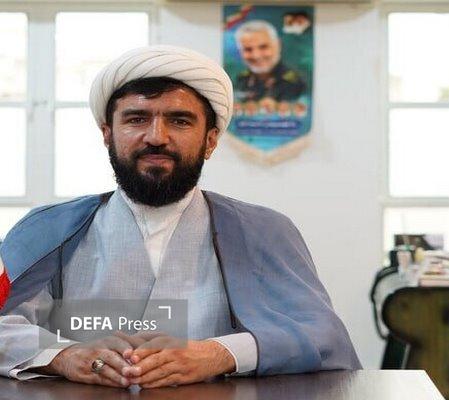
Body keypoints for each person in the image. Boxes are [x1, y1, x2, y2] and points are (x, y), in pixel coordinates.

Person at [0, 45, 360, 389]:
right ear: (107, 134)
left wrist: (218, 354)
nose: (157, 137)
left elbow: (322, 334)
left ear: (210, 140)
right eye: (136, 119)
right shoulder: (48, 230)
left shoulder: (264, 231)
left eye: (180, 121)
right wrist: (61, 355)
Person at [234, 20, 306, 103]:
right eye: (248, 49)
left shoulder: (295, 83)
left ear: (278, 45)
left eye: (263, 47)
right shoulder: (240, 80)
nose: (256, 56)